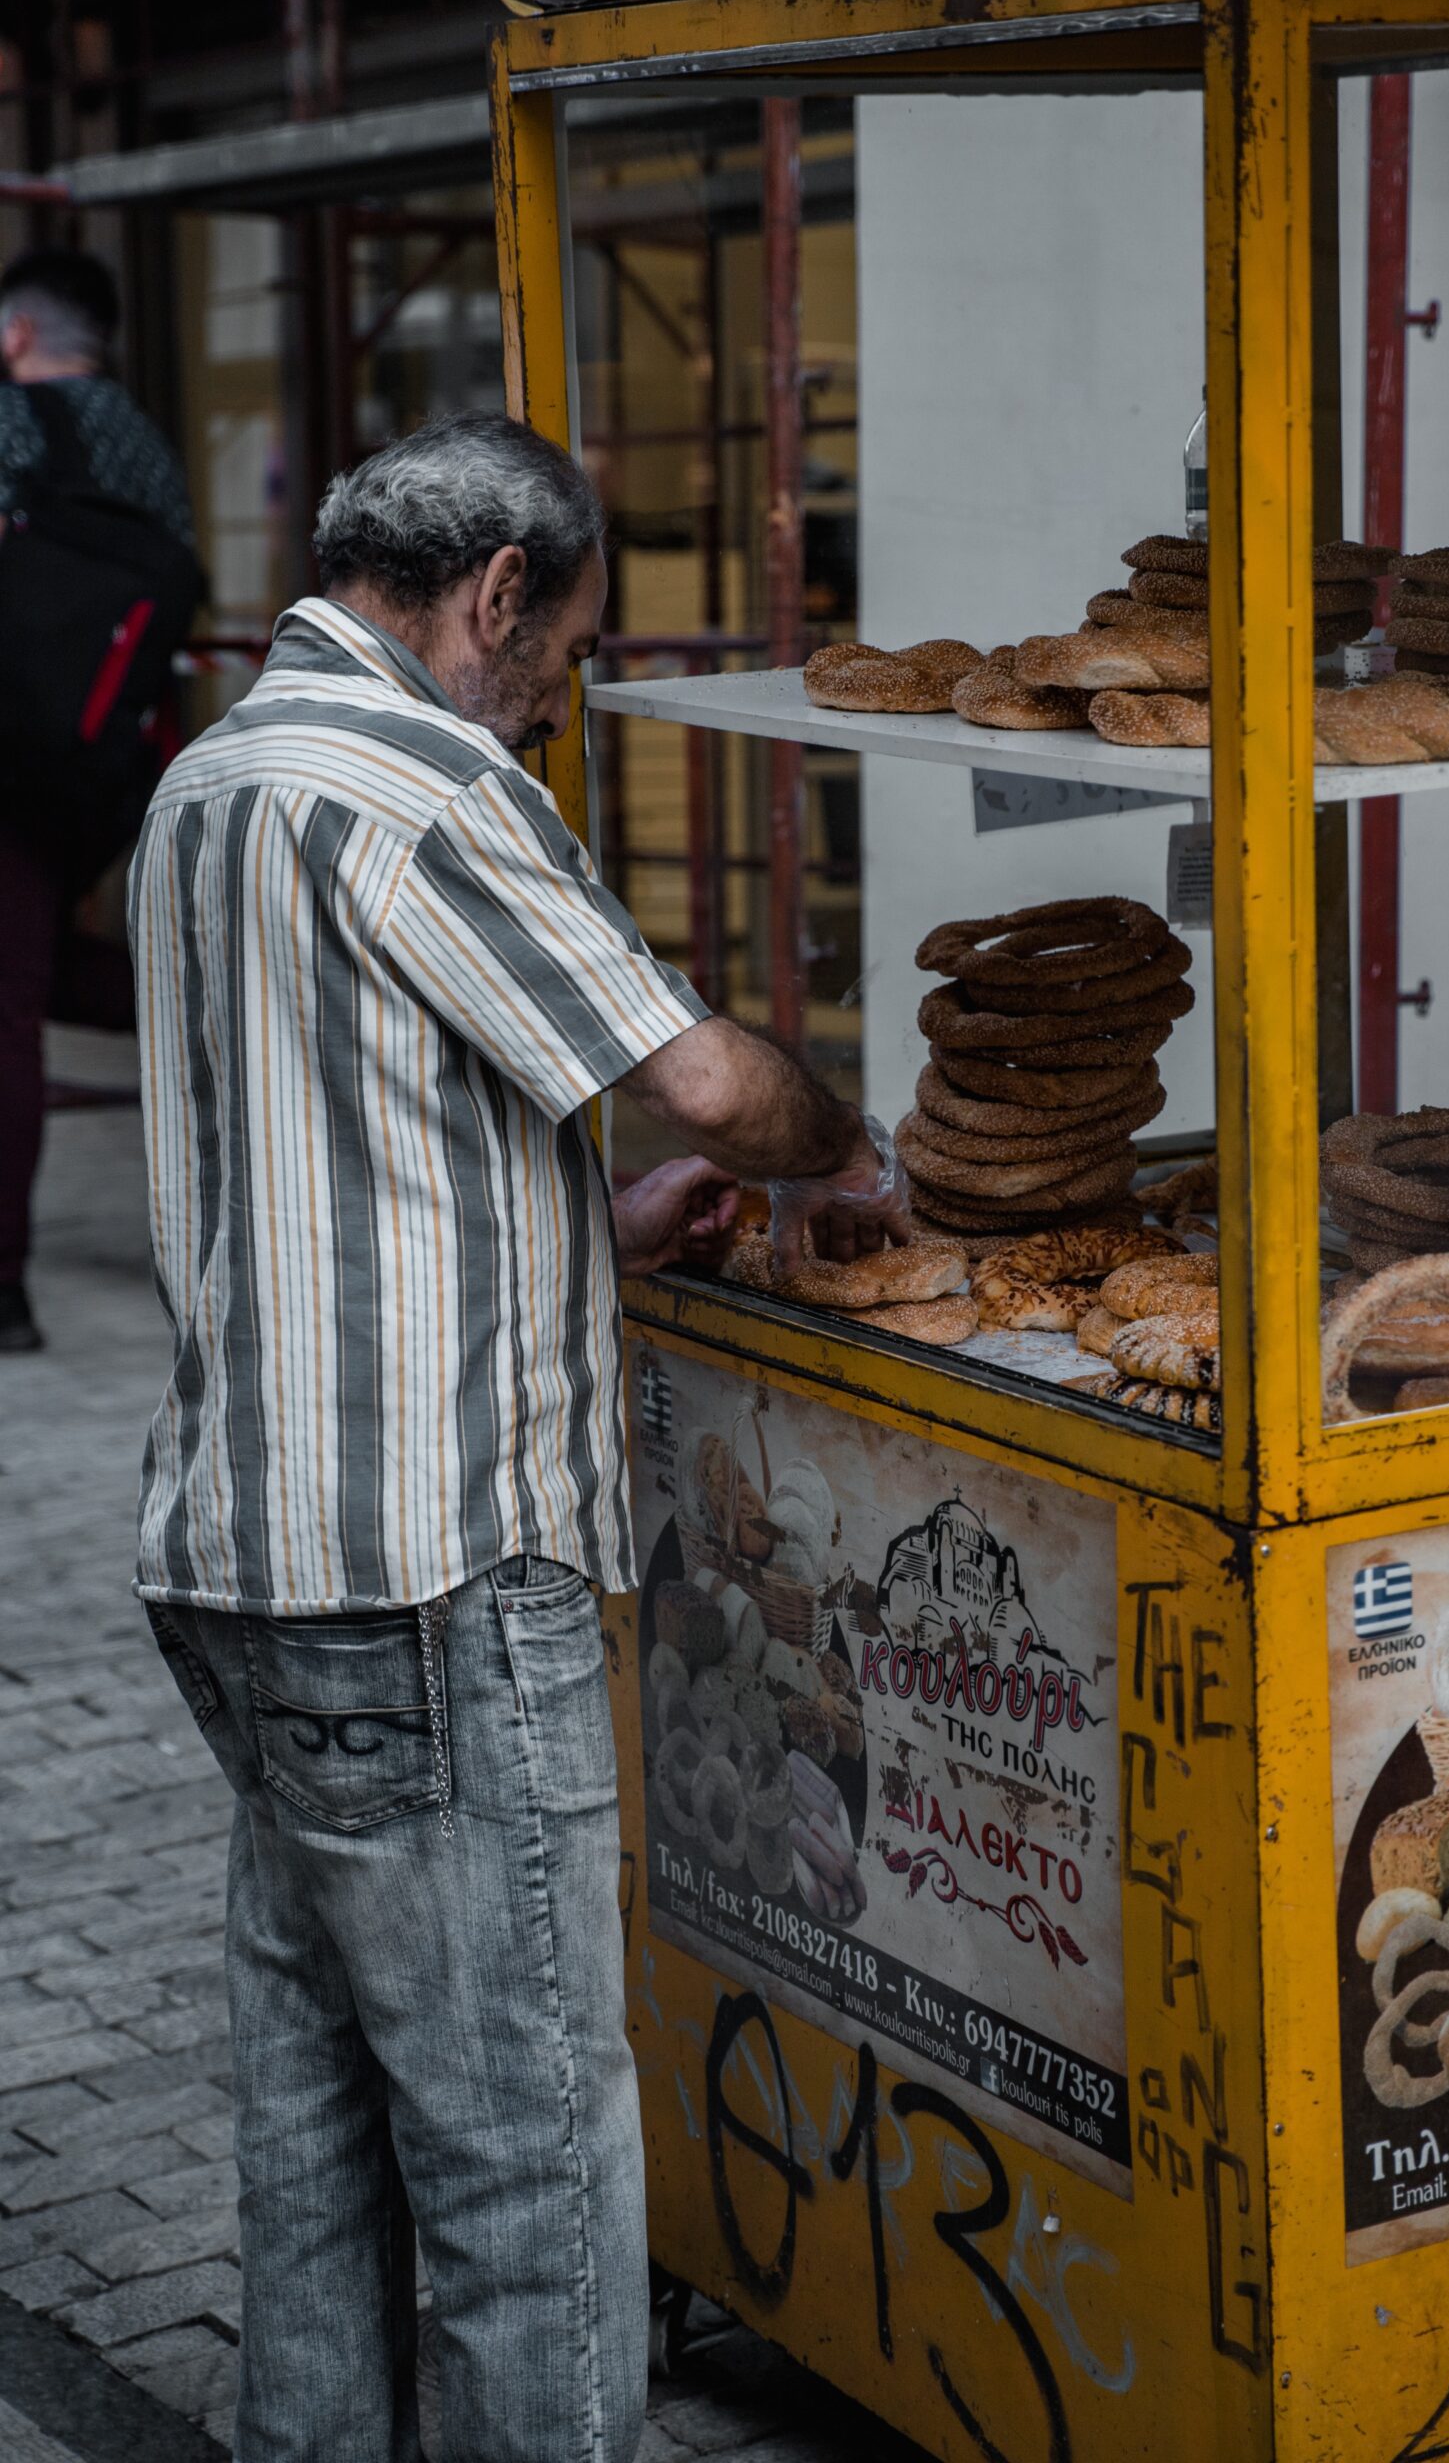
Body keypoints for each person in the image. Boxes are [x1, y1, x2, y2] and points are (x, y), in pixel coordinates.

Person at [128, 411, 902, 2463]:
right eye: (556, 654)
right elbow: (703, 1079)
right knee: (531, 2163)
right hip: (432, 1573)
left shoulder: (216, 775)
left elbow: (341, 1123)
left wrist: (587, 1218)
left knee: (322, 2118)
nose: (549, 696)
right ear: (492, 595)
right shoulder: (423, 781)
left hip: (252, 1555)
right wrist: (847, 1149)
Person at [0, 248, 196, 1354]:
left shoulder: (9, 427)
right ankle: (204, 998)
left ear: (17, 335)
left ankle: (3, 1288)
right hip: (106, 762)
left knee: (8, 1003)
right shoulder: (145, 444)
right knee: (30, 975)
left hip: (11, 760)